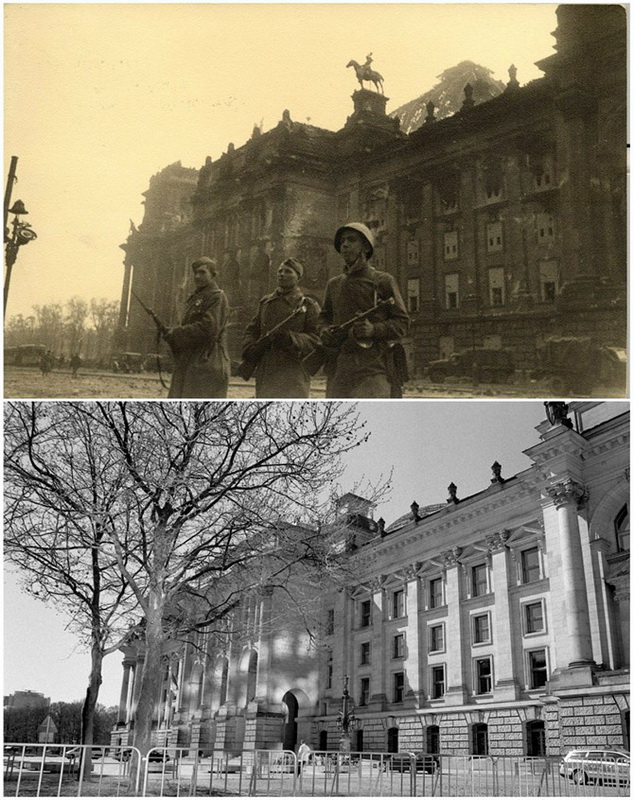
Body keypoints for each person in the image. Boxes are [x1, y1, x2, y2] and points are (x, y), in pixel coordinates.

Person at [317, 222, 409, 398]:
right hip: (340, 369)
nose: (345, 245)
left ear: (366, 247)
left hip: (373, 369)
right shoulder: (334, 284)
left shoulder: (383, 281)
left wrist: (374, 329)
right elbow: (323, 318)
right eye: (342, 241)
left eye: (352, 240)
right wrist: (324, 330)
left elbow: (403, 323)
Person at [241, 257, 319, 398]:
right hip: (266, 371)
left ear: (298, 278)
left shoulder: (308, 305)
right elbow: (252, 330)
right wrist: (251, 347)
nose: (282, 274)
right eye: (280, 271)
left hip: (293, 372)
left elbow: (317, 339)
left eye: (288, 272)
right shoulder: (266, 302)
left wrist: (292, 338)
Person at [163, 257, 230, 398]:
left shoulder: (217, 297)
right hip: (190, 362)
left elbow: (208, 328)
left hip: (207, 361)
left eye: (202, 272)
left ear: (213, 275)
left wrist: (176, 333)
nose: (197, 276)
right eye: (195, 273)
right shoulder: (196, 298)